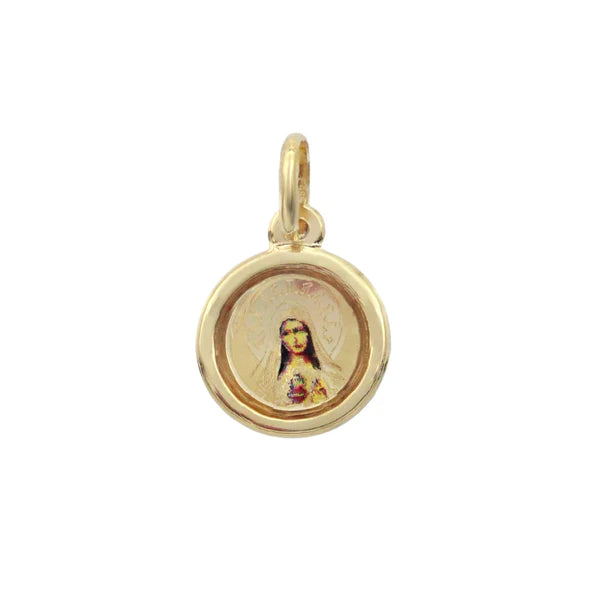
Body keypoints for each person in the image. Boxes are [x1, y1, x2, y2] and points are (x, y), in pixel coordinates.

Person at [277, 318, 329, 405]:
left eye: (298, 331)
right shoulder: (283, 375)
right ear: (282, 339)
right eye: (286, 333)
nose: (295, 339)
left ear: (308, 333)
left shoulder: (323, 372)